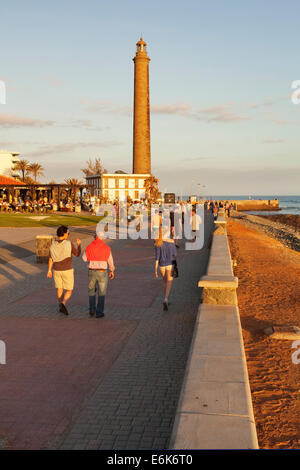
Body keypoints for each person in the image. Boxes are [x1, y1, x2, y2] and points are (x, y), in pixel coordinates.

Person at [47, 225, 81, 315]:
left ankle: (60, 304)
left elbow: (50, 258)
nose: (68, 234)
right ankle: (63, 303)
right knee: (69, 289)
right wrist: (79, 245)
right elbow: (77, 254)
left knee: (59, 288)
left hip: (56, 270)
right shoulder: (68, 243)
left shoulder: (52, 244)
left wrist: (49, 270)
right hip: (67, 269)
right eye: (68, 233)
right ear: (65, 234)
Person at [82, 230, 115, 318]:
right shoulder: (107, 248)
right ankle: (99, 312)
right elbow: (110, 261)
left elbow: (84, 259)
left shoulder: (89, 247)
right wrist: (112, 270)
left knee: (91, 291)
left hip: (92, 271)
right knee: (102, 292)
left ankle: (92, 309)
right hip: (102, 272)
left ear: (95, 237)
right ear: (102, 238)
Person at [154, 226, 177, 311]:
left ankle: (165, 298)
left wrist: (155, 270)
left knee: (164, 281)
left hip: (161, 265)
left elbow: (157, 257)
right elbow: (175, 254)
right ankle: (166, 299)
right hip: (170, 263)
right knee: (169, 281)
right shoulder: (171, 242)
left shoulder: (158, 243)